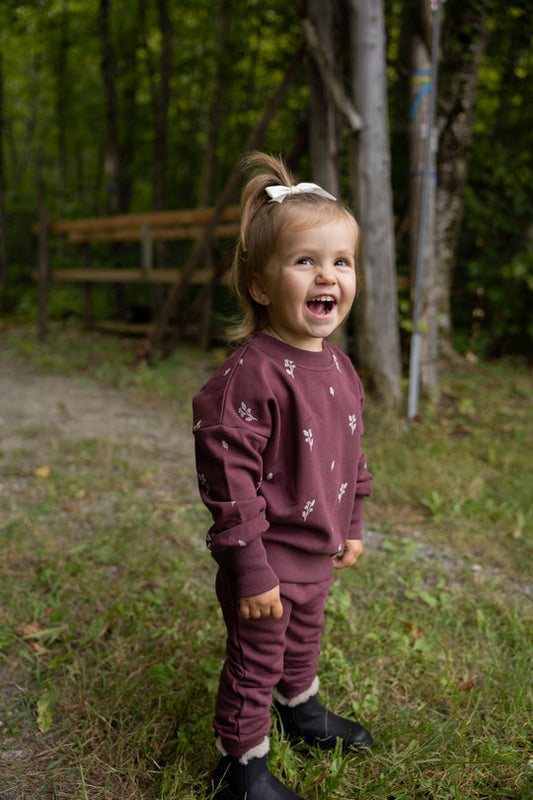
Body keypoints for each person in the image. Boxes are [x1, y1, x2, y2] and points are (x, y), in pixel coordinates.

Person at [192, 152, 373, 800]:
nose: (326, 274)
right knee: (254, 660)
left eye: (340, 261)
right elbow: (228, 483)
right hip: (265, 563)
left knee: (303, 641)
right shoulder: (250, 376)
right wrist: (250, 570)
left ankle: (299, 708)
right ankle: (240, 766)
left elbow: (350, 457)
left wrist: (350, 522)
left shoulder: (342, 369)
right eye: (305, 261)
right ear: (262, 286)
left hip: (317, 556)